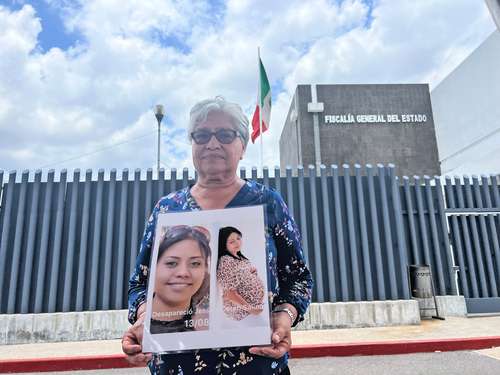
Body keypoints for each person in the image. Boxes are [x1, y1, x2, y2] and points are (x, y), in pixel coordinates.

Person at [122, 96, 313, 375]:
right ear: (192, 144)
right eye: (201, 135)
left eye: (225, 134)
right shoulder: (168, 208)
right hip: (178, 366)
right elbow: (140, 283)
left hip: (257, 364)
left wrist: (284, 317)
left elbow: (298, 278)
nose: (212, 143)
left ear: (243, 146)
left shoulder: (267, 202)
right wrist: (143, 320)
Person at [150, 225, 211, 334]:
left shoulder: (208, 326)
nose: (183, 273)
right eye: (171, 263)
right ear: (154, 266)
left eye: (195, 263)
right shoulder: (142, 329)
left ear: (205, 269)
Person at [216, 226, 265, 321]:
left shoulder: (240, 258)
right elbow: (229, 293)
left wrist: (253, 274)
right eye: (231, 241)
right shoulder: (226, 261)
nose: (237, 242)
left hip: (252, 310)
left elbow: (241, 280)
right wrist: (252, 310)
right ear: (223, 244)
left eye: (238, 238)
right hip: (241, 313)